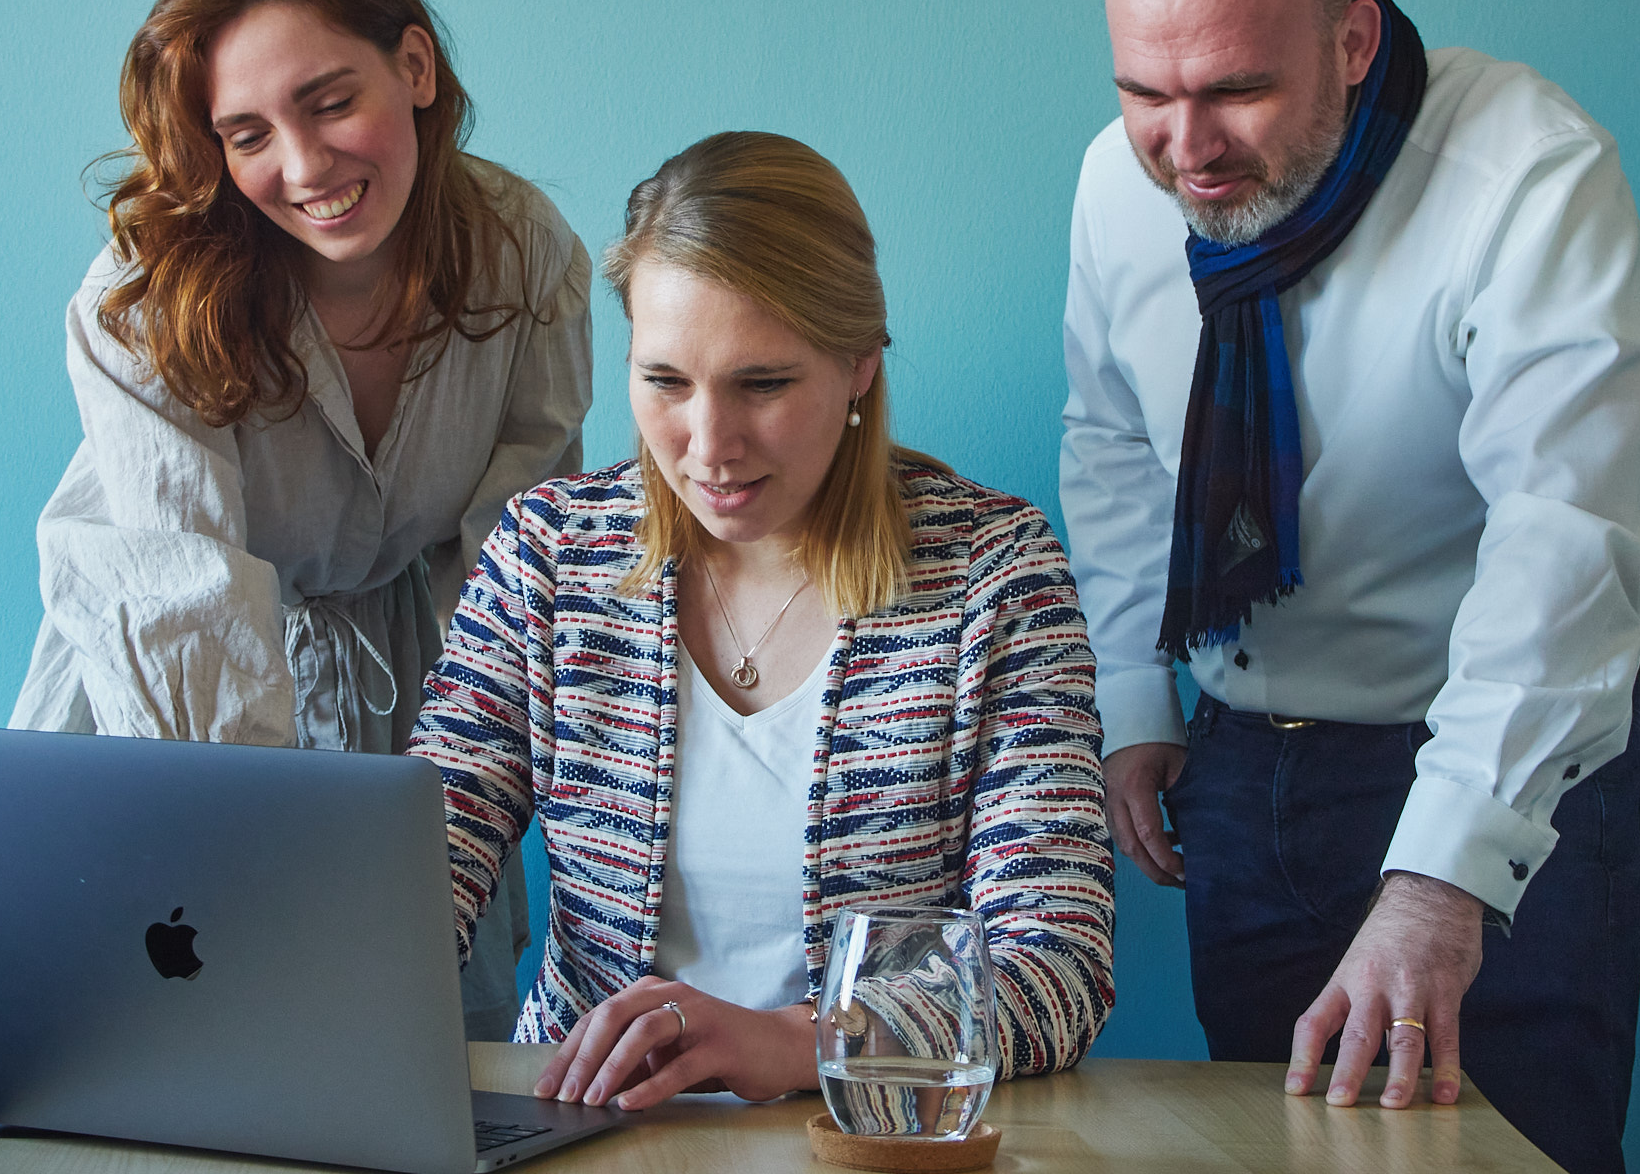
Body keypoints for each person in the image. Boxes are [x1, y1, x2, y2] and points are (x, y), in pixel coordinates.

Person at [1060, 0, 1640, 1174]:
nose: (1188, 146)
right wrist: (1133, 702)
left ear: (1352, 39)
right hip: (1238, 772)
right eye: (1146, 93)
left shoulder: (1529, 177)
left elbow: (1570, 542)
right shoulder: (1120, 183)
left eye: (1235, 90)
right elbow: (1108, 443)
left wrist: (1444, 872)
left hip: (1496, 775)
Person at [411, 131, 1115, 1110]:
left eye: (762, 383)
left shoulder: (991, 574)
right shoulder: (552, 553)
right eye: (664, 381)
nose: (708, 446)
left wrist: (806, 1042)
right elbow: (428, 843)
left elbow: (1054, 965)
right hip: (589, 1125)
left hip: (870, 1134)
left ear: (859, 363)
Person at [5, 0, 590, 1039]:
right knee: (175, 1048)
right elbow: (188, 608)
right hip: (168, 709)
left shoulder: (525, 253)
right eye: (247, 133)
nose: (306, 166)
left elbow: (520, 562)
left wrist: (469, 795)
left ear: (415, 67)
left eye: (330, 102)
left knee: (413, 1064)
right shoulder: (144, 299)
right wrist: (266, 870)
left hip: (418, 700)